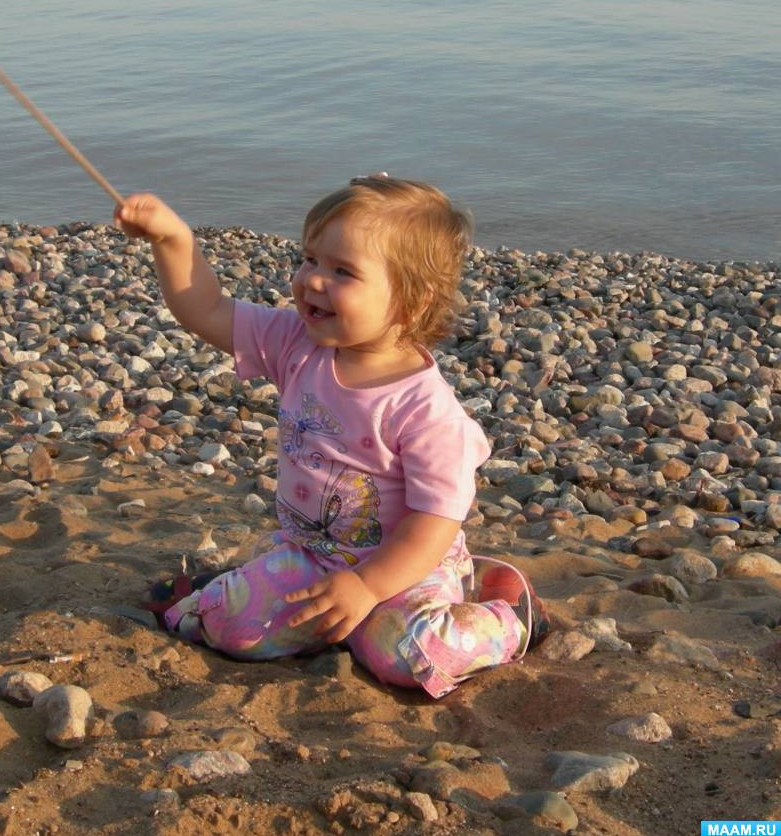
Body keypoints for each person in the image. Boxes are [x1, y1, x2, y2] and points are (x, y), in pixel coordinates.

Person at [115, 175, 548, 698]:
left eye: (342, 271)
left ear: (410, 301)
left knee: (409, 658)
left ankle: (512, 621)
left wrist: (368, 587)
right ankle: (225, 592)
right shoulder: (298, 343)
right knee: (231, 629)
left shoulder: (426, 411)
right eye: (310, 259)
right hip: (313, 554)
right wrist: (172, 240)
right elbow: (205, 311)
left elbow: (434, 521)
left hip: (401, 569)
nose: (311, 280)